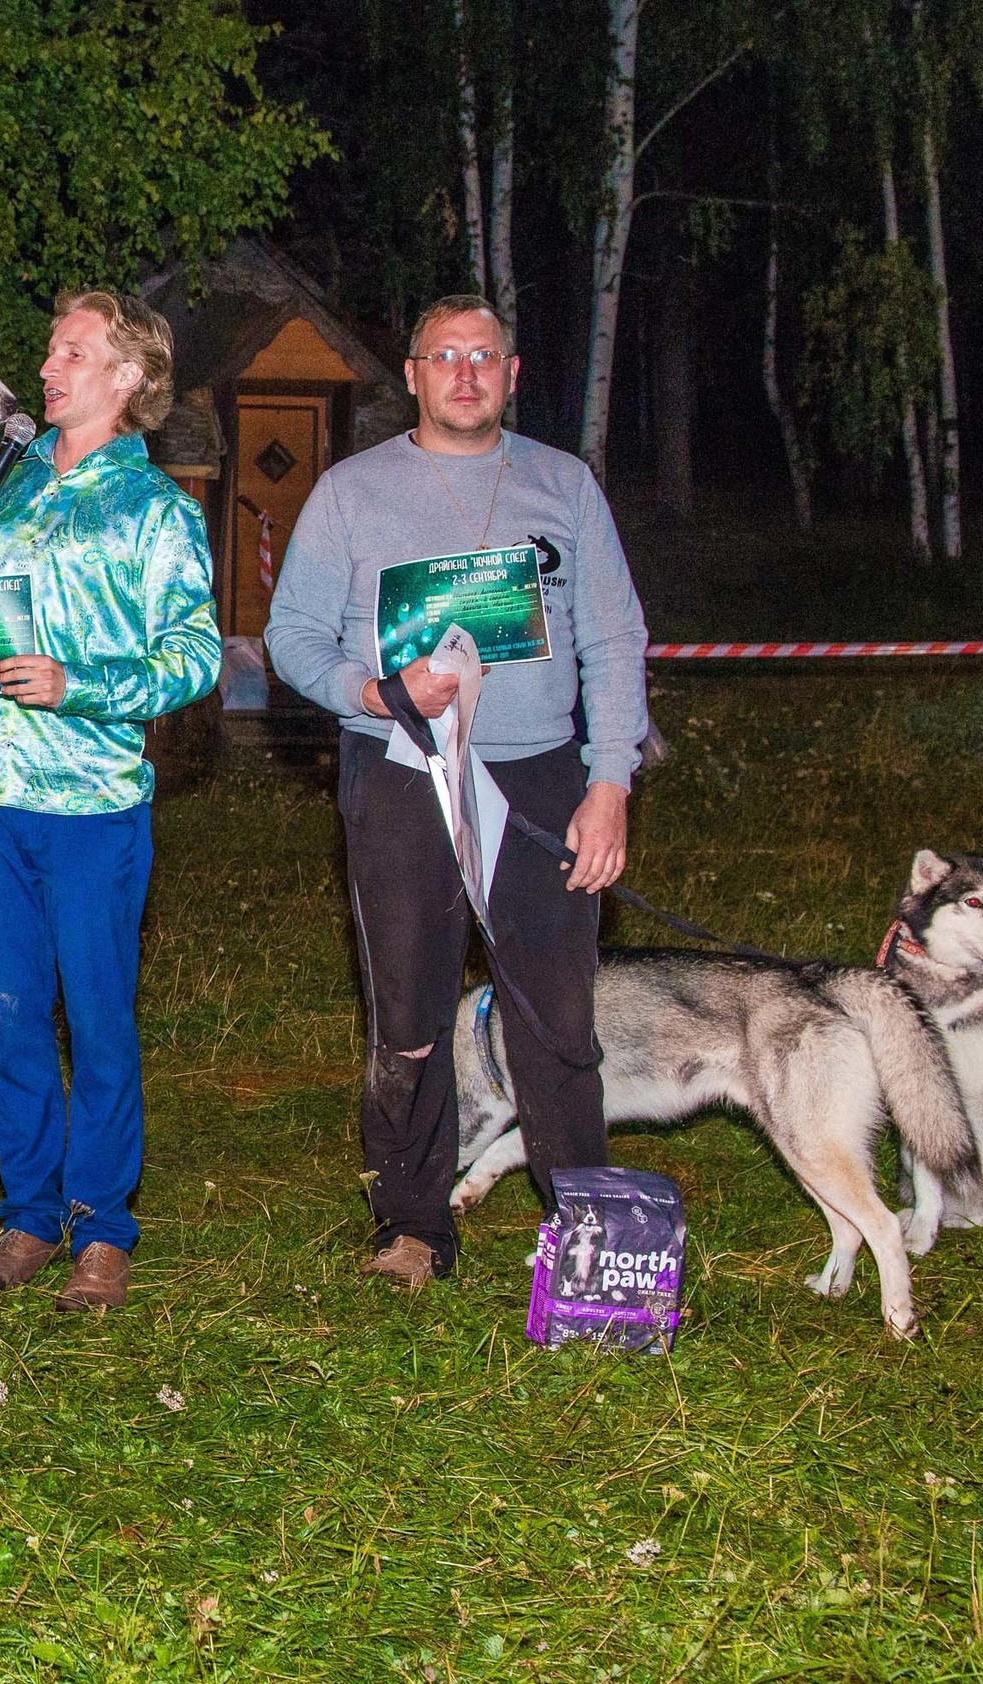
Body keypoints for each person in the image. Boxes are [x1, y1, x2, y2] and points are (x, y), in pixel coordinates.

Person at [263, 292, 648, 1290]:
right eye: (444, 356)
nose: (465, 374)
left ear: (512, 375)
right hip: (400, 772)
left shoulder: (562, 485)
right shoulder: (352, 492)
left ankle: (588, 1230)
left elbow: (614, 640)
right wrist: (377, 692)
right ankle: (412, 1220)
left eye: (484, 357)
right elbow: (292, 636)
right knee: (410, 1012)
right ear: (413, 375)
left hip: (539, 776)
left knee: (557, 1015)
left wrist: (609, 782)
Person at [0, 290, 221, 1312]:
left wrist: (79, 681)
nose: (46, 370)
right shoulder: (5, 489)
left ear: (127, 378)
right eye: (49, 350)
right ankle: (27, 1212)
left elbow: (190, 657)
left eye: (71, 353)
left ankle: (103, 1225)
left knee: (96, 1019)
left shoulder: (156, 511)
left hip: (92, 801)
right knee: (12, 1015)